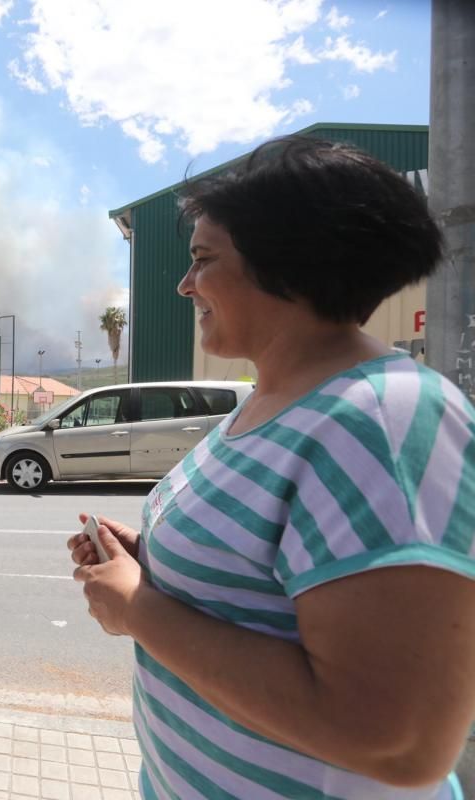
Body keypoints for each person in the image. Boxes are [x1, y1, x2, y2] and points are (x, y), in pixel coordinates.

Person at [68, 137, 475, 799]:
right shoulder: (268, 400)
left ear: (289, 263)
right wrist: (152, 562)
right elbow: (264, 581)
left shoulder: (384, 418)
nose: (185, 283)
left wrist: (138, 609)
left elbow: (401, 743)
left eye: (203, 259)